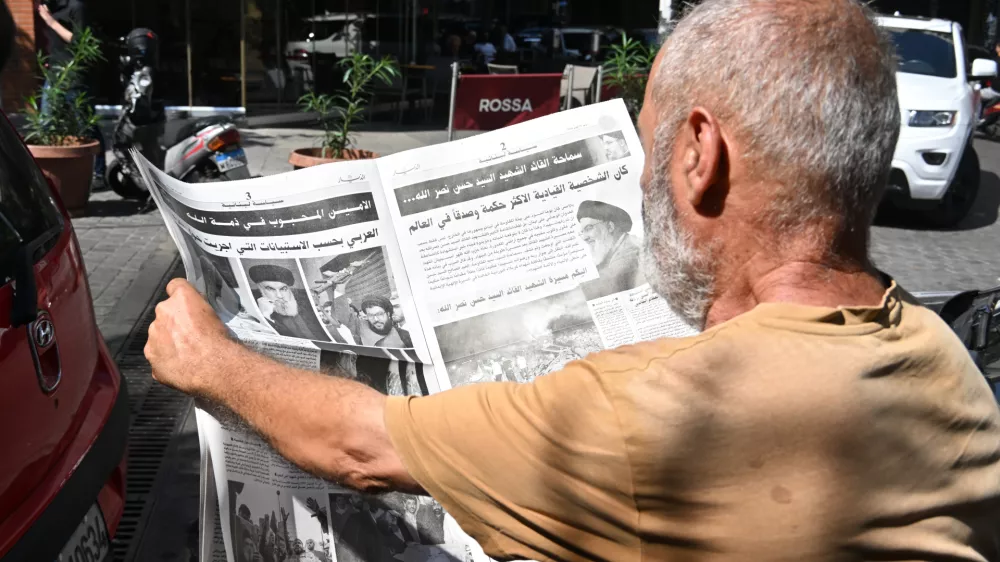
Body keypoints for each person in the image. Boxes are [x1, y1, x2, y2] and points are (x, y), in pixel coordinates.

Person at [145, 0, 1000, 559]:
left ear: (700, 155)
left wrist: (210, 362)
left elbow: (361, 446)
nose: (636, 182)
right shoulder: (943, 362)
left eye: (649, 144)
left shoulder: (652, 417)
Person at [37, 0, 106, 188]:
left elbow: (79, 42)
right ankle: (50, 176)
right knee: (47, 123)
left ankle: (99, 172)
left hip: (74, 75)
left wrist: (50, 22)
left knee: (85, 125)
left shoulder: (76, 7)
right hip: (55, 76)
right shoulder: (48, 8)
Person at [576, 200, 646, 300]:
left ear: (610, 227)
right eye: (582, 232)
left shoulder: (630, 249)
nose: (585, 238)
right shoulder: (611, 252)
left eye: (589, 228)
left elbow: (608, 282)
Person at [248, 264, 329, 341]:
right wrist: (265, 316)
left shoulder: (300, 296)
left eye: (283, 289)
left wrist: (330, 282)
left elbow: (316, 290)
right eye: (270, 289)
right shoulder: (254, 308)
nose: (279, 295)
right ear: (260, 290)